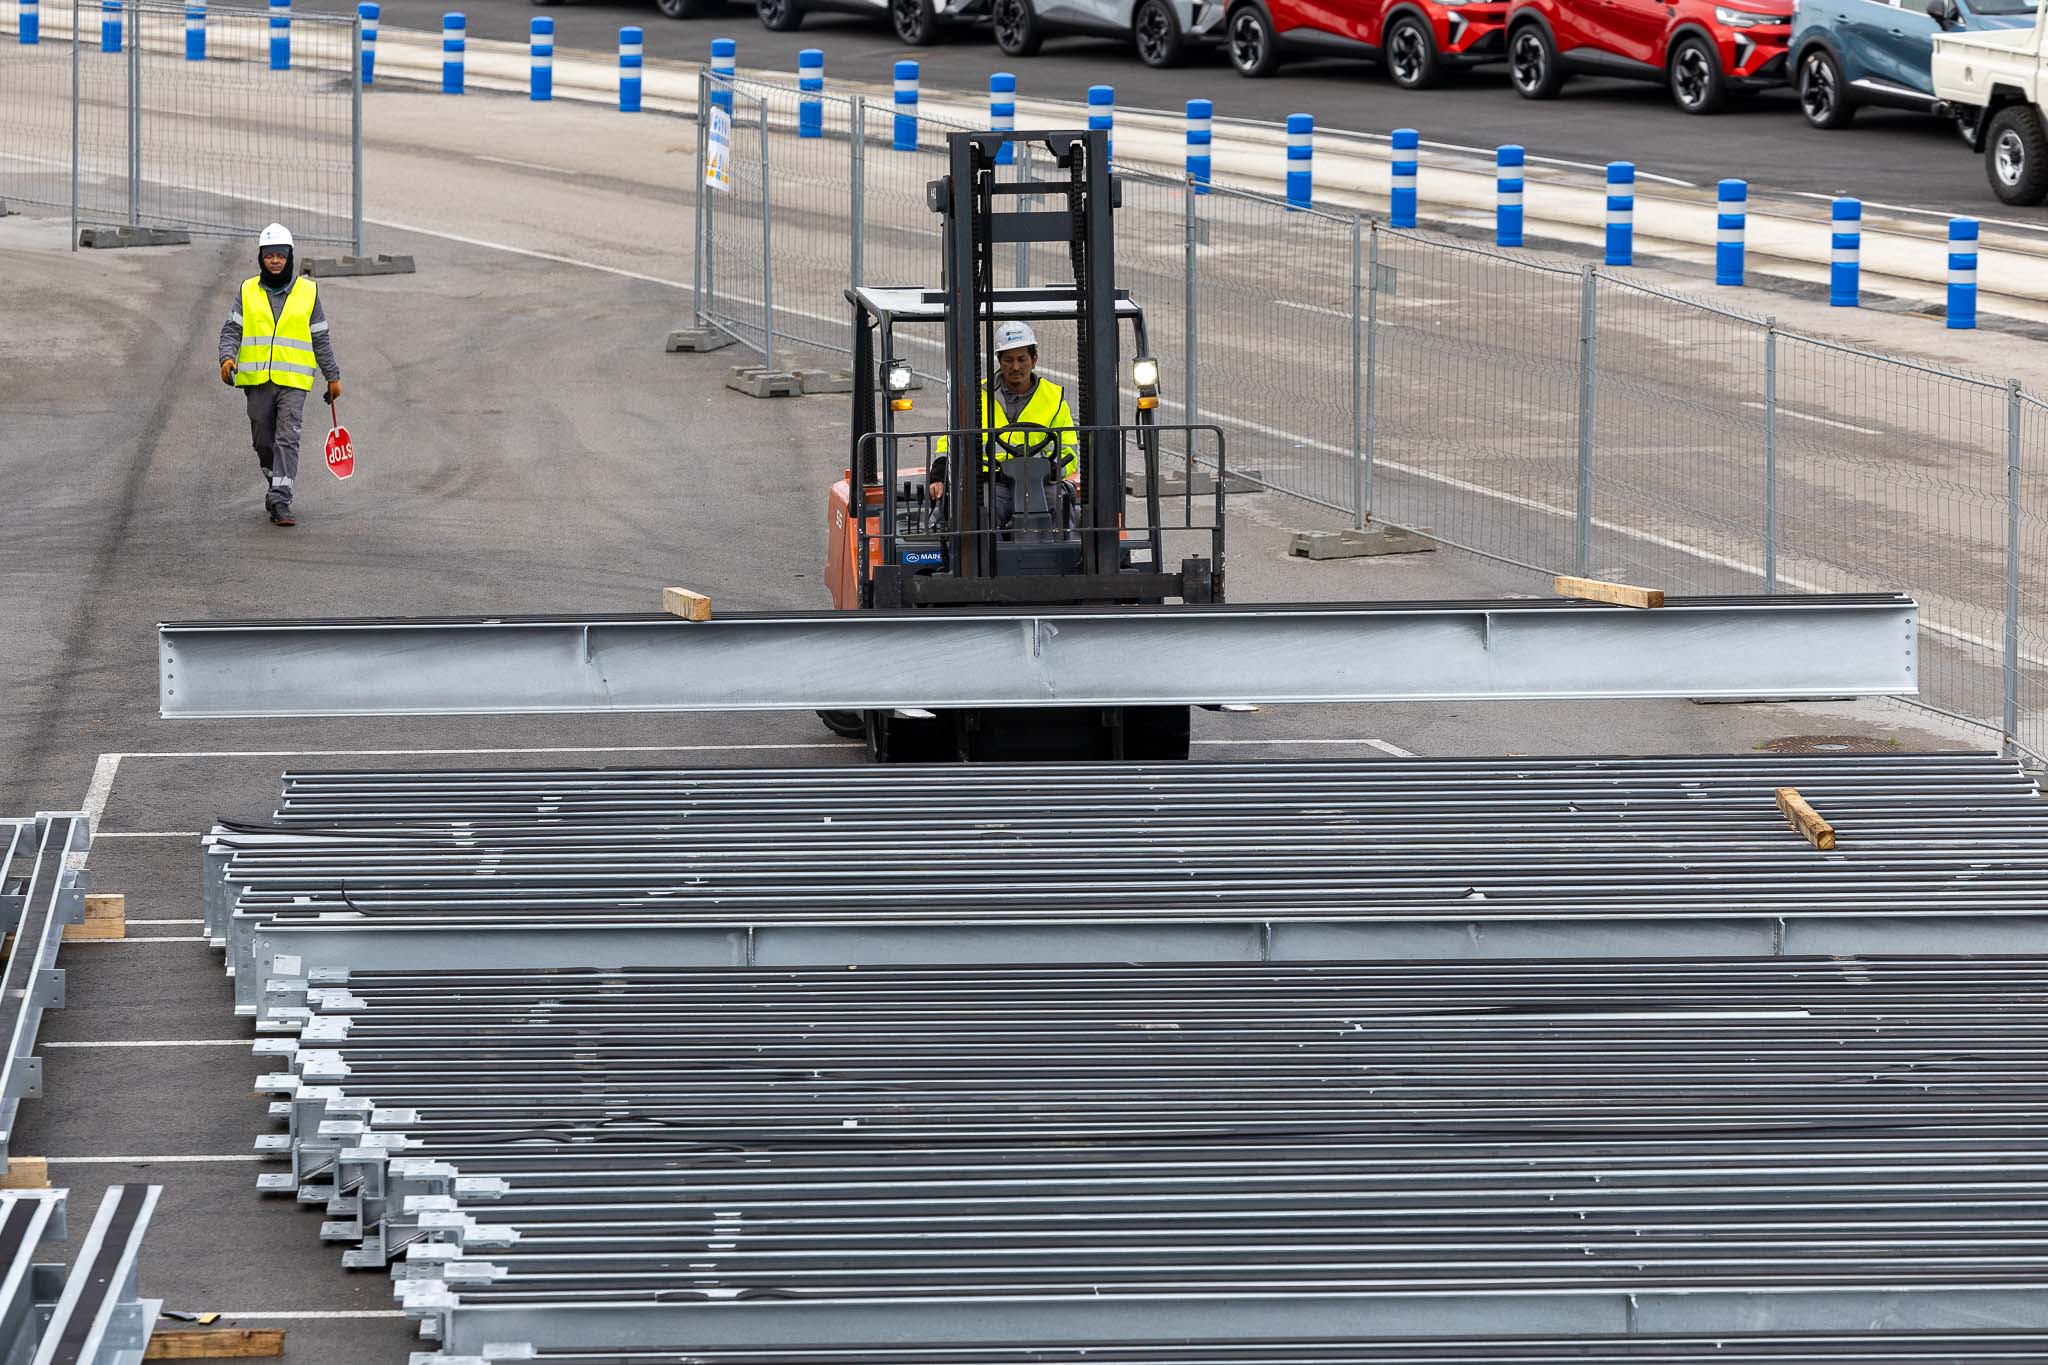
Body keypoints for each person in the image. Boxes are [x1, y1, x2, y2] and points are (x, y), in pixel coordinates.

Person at [217, 223, 342, 527]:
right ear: (261, 258)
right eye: (269, 255)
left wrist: (332, 376)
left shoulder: (308, 293)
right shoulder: (247, 290)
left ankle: (281, 500)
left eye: (281, 255)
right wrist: (227, 358)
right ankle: (276, 481)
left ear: (290, 257)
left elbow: (320, 337)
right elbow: (232, 329)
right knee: (263, 439)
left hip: (294, 383)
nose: (275, 261)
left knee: (288, 438)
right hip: (257, 380)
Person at [928, 320, 1078, 525]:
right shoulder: (976, 395)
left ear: (1034, 360)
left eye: (1021, 359)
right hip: (994, 480)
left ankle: (1064, 556)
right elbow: (951, 439)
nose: (1015, 366)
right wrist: (940, 472)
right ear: (999, 360)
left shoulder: (1054, 398)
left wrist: (1054, 469)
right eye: (1008, 360)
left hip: (1040, 482)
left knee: (1060, 504)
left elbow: (1069, 449)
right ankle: (985, 557)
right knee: (984, 509)